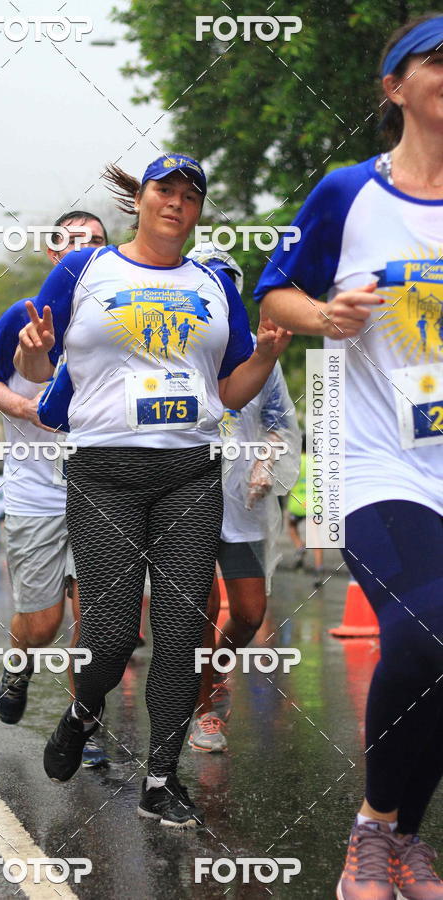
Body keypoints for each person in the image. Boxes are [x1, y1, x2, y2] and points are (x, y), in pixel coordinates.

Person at [14, 154, 291, 827]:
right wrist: (31, 351)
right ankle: (83, 713)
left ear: (197, 211)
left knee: (178, 638)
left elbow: (228, 393)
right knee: (109, 639)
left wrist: (264, 358)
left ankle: (162, 779)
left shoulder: (211, 285)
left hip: (189, 476)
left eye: (190, 194)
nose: (176, 202)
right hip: (105, 476)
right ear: (139, 199)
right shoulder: (86, 270)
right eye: (164, 190)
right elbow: (36, 364)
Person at [255, 14, 443, 898]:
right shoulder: (346, 193)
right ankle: (373, 826)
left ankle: (406, 840)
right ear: (393, 87)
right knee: (422, 631)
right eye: (437, 61)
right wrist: (324, 317)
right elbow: (275, 293)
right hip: (376, 464)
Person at [0, 210, 110, 768]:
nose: (87, 251)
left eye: (98, 243)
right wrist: (23, 407)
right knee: (45, 622)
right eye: (76, 243)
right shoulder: (23, 315)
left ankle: (84, 721)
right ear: (54, 254)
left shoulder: (121, 317)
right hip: (35, 493)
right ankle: (19, 661)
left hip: (103, 490)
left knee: (101, 620)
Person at [184, 246, 300, 752]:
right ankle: (205, 710)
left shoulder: (261, 351)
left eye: (228, 283)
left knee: (250, 614)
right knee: (201, 608)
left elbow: (279, 423)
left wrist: (265, 462)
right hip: (188, 495)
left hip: (243, 502)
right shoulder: (175, 347)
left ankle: (211, 673)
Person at [287, 434, 324, 586]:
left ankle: (300, 546)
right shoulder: (319, 462)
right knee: (316, 538)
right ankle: (319, 569)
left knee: (291, 526)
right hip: (314, 505)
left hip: (297, 504)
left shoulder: (295, 462)